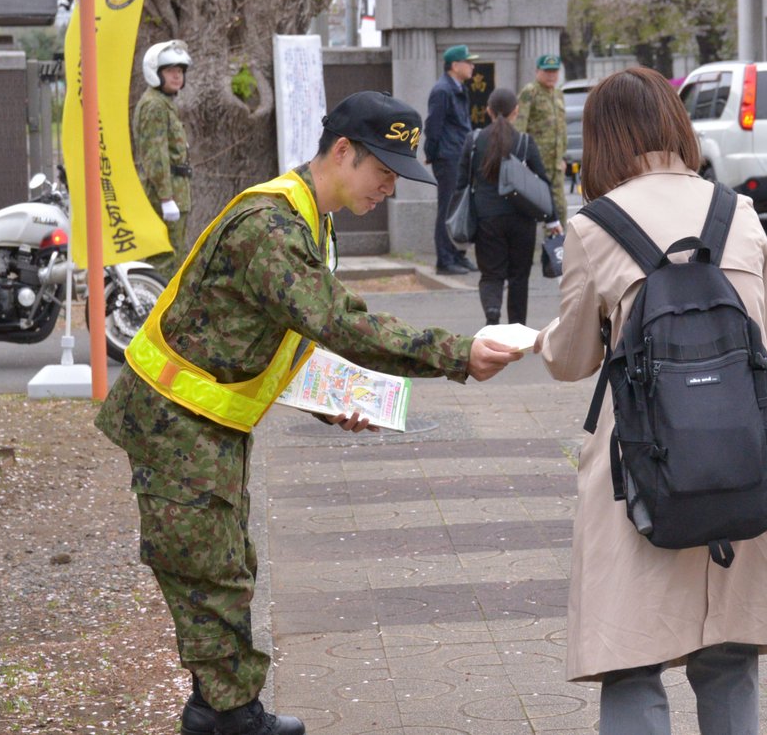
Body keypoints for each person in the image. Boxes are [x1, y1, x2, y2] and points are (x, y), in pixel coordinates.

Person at [95, 91, 523, 735]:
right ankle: (229, 717)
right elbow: (341, 323)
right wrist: (458, 352)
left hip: (206, 421)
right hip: (174, 423)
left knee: (227, 565)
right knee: (209, 574)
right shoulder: (271, 227)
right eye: (383, 172)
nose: (388, 188)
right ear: (343, 152)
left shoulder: (306, 221)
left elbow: (277, 332)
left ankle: (221, 712)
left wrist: (332, 403)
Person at [534, 67, 767, 735]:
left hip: (641, 468)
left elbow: (572, 360)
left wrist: (541, 337)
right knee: (727, 655)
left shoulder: (594, 228)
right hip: (740, 457)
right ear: (674, 124)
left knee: (633, 661)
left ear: (601, 139)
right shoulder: (737, 214)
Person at [457, 88, 563, 326]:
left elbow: (461, 183)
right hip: (522, 219)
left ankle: (492, 317)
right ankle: (516, 327)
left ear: (488, 111)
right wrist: (552, 220)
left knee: (491, 274)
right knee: (519, 277)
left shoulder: (474, 141)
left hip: (486, 219)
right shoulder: (525, 142)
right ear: (516, 111)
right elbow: (543, 182)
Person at [134, 39, 194, 280]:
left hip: (176, 192)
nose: (176, 76)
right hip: (166, 196)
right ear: (156, 73)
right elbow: (155, 155)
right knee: (165, 259)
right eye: (170, 71)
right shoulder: (154, 106)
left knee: (175, 256)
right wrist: (166, 197)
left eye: (180, 71)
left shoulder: (163, 103)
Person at [425, 44, 480, 276]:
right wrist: (432, 154)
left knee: (461, 208)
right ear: (455, 65)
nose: (472, 66)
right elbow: (433, 126)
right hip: (448, 157)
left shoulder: (458, 88)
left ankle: (458, 254)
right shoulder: (442, 90)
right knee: (447, 208)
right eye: (468, 62)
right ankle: (444, 260)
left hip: (459, 155)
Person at [515, 54, 568, 225]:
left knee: (560, 208)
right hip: (536, 163)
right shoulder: (530, 92)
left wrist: (563, 157)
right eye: (547, 72)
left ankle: (558, 249)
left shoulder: (558, 94)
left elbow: (561, 129)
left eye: (554, 71)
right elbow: (520, 127)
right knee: (539, 209)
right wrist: (521, 159)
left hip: (556, 164)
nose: (551, 75)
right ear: (537, 71)